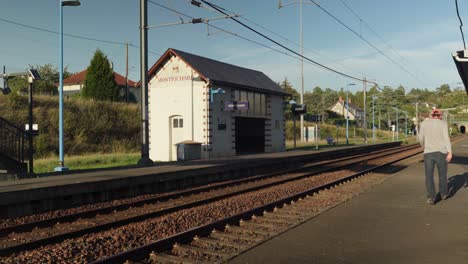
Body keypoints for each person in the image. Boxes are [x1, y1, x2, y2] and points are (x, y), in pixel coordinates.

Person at [418, 109, 452, 205]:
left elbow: (421, 138)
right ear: (440, 116)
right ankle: (444, 194)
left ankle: (431, 198)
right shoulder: (443, 124)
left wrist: (424, 146)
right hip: (441, 152)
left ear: (431, 115)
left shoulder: (424, 123)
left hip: (428, 153)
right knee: (442, 175)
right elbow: (446, 138)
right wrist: (450, 152)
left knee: (429, 176)